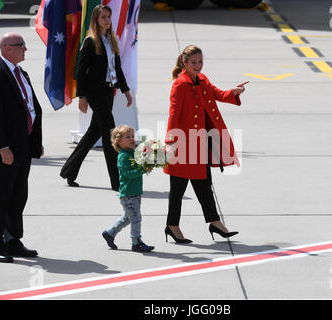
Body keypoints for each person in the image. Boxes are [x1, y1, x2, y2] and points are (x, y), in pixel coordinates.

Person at [164, 45, 248, 243]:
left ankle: (214, 222)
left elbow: (217, 94)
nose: (198, 66)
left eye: (200, 62)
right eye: (193, 62)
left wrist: (233, 92)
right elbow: (174, 114)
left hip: (199, 143)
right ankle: (173, 226)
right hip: (183, 144)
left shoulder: (202, 79)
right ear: (184, 62)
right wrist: (170, 141)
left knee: (204, 185)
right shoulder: (180, 84)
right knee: (178, 189)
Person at [0, 33, 43, 263]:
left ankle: (13, 240)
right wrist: (3, 147)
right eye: (21, 45)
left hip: (23, 146)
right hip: (4, 150)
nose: (25, 49)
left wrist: (35, 141)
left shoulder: (21, 73)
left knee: (18, 197)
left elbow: (30, 108)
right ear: (6, 48)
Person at [60, 4, 132, 191]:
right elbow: (80, 72)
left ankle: (69, 170)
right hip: (95, 94)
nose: (107, 20)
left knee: (93, 133)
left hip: (108, 92)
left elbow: (117, 69)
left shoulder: (111, 40)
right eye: (103, 17)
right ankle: (117, 182)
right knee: (111, 135)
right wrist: (82, 97)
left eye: (108, 17)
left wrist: (125, 90)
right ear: (96, 20)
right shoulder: (90, 42)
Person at [101, 125, 155, 252]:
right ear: (118, 141)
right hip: (128, 194)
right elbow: (128, 174)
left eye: (132, 136)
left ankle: (109, 233)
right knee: (136, 218)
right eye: (128, 137)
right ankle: (136, 242)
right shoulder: (123, 156)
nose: (132, 139)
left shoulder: (132, 152)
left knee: (128, 218)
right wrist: (142, 169)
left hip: (134, 192)